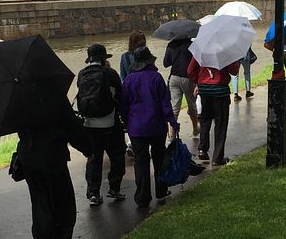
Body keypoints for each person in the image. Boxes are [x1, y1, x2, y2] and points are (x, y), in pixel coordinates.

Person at [17, 99, 91, 239]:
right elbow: (72, 127)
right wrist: (88, 149)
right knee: (59, 204)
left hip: (27, 157)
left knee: (39, 201)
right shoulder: (51, 93)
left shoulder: (16, 97)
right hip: (52, 157)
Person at [120, 47, 179, 207]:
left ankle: (142, 197)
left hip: (136, 128)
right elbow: (165, 104)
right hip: (156, 126)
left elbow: (124, 106)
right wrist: (173, 123)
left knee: (141, 162)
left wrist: (127, 122)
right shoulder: (156, 78)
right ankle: (161, 190)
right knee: (159, 159)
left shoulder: (129, 80)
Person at [76, 43, 126, 205]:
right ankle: (114, 188)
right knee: (118, 155)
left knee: (93, 159)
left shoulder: (81, 74)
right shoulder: (111, 74)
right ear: (104, 59)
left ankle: (93, 193)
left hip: (89, 126)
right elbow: (120, 97)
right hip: (110, 123)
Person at [187, 54, 240, 166]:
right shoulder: (225, 50)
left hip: (204, 90)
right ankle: (217, 158)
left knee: (205, 119)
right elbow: (234, 71)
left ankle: (202, 149)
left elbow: (190, 70)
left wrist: (200, 81)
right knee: (220, 124)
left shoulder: (201, 50)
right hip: (220, 91)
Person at [163, 36, 200, 137]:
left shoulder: (171, 44)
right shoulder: (192, 45)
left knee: (175, 107)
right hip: (188, 78)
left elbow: (165, 63)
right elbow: (198, 62)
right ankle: (195, 128)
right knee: (191, 104)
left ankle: (172, 134)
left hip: (174, 78)